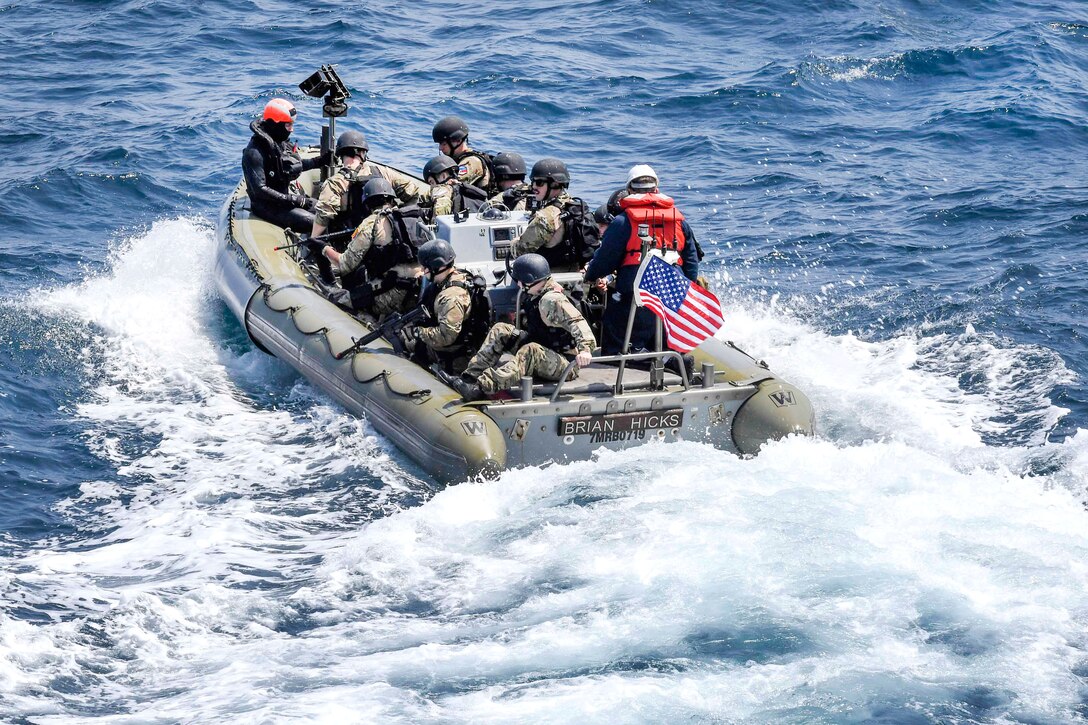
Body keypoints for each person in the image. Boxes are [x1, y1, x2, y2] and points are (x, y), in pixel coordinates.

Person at [584, 164, 700, 355]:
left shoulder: (623, 221)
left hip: (635, 293)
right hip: (672, 292)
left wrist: (591, 274)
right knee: (665, 337)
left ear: (629, 190)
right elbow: (691, 262)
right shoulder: (679, 220)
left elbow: (605, 260)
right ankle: (671, 360)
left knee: (613, 322)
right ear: (656, 189)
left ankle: (619, 367)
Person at [446, 255, 595, 401]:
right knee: (501, 329)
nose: (518, 285)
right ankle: (469, 377)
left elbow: (577, 322)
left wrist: (585, 350)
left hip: (564, 364)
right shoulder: (538, 294)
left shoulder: (552, 300)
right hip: (545, 349)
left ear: (529, 280)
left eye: (519, 281)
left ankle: (481, 387)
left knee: (531, 350)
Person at [321, 178, 427, 318]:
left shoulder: (371, 223)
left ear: (367, 203)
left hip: (392, 292)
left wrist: (324, 248)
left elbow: (345, 265)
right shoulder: (412, 218)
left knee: (338, 299)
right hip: (421, 290)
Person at [311, 130, 427, 239]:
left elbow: (323, 216)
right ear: (361, 152)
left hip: (353, 242)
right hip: (389, 237)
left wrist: (313, 239)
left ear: (341, 154)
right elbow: (412, 191)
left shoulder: (335, 182)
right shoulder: (384, 172)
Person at [242, 98, 330, 233]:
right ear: (275, 124)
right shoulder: (254, 152)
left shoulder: (278, 143)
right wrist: (294, 200)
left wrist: (319, 161)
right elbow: (260, 189)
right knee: (318, 223)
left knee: (329, 212)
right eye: (288, 125)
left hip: (284, 201)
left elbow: (289, 167)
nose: (292, 130)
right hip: (267, 207)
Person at [409, 240, 490, 374]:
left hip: (455, 357)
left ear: (437, 267)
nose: (422, 271)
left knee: (407, 343)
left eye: (425, 267)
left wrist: (417, 332)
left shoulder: (451, 298)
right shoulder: (455, 277)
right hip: (451, 348)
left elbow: (446, 337)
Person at [509, 158, 592, 272]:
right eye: (532, 181)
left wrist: (515, 240)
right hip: (574, 274)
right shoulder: (577, 207)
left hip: (548, 278)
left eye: (539, 182)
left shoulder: (546, 216)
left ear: (555, 184)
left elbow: (520, 251)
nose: (533, 186)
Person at [431, 116, 492, 192]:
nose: (440, 148)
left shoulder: (472, 162)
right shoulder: (457, 160)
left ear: (458, 141)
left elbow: (452, 184)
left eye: (443, 144)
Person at [419, 154, 485, 220]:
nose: (431, 187)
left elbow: (437, 223)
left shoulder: (442, 193)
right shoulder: (463, 188)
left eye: (431, 182)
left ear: (443, 176)